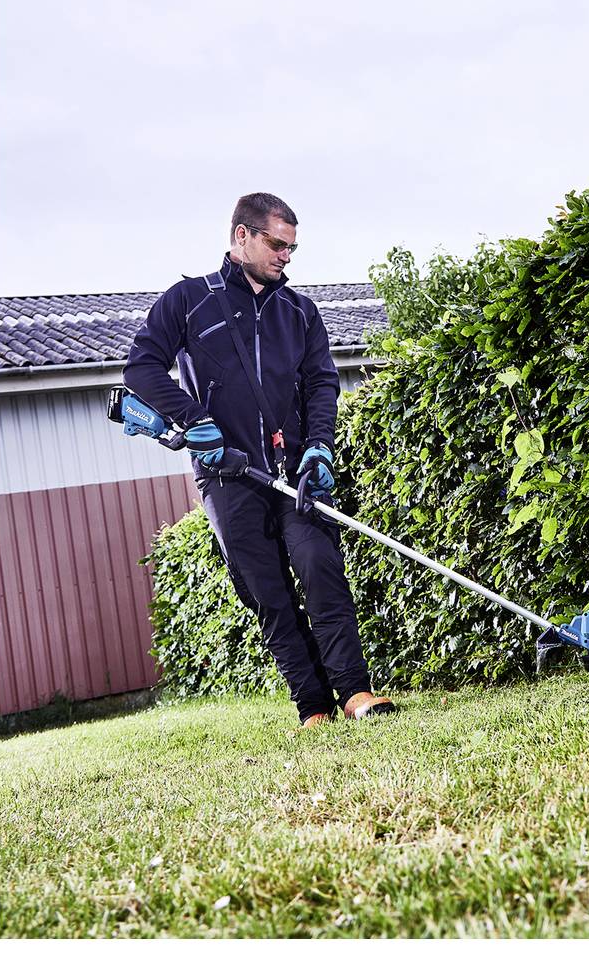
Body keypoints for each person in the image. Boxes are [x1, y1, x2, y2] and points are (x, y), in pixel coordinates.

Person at [124, 192, 394, 725]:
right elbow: (142, 368)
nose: (286, 256)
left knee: (320, 569)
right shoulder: (188, 300)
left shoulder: (298, 311)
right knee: (265, 591)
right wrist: (194, 419)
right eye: (277, 243)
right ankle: (313, 704)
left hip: (294, 471)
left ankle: (354, 692)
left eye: (293, 247)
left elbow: (321, 382)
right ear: (242, 236)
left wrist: (319, 445)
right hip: (226, 473)